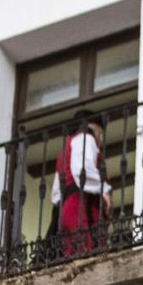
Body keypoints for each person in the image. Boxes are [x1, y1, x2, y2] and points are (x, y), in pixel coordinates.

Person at [50, 110, 110, 257]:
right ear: (91, 127)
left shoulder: (65, 150)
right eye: (100, 133)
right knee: (90, 254)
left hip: (67, 209)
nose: (100, 140)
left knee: (74, 254)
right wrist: (104, 191)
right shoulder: (85, 138)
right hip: (81, 207)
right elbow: (83, 171)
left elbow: (56, 193)